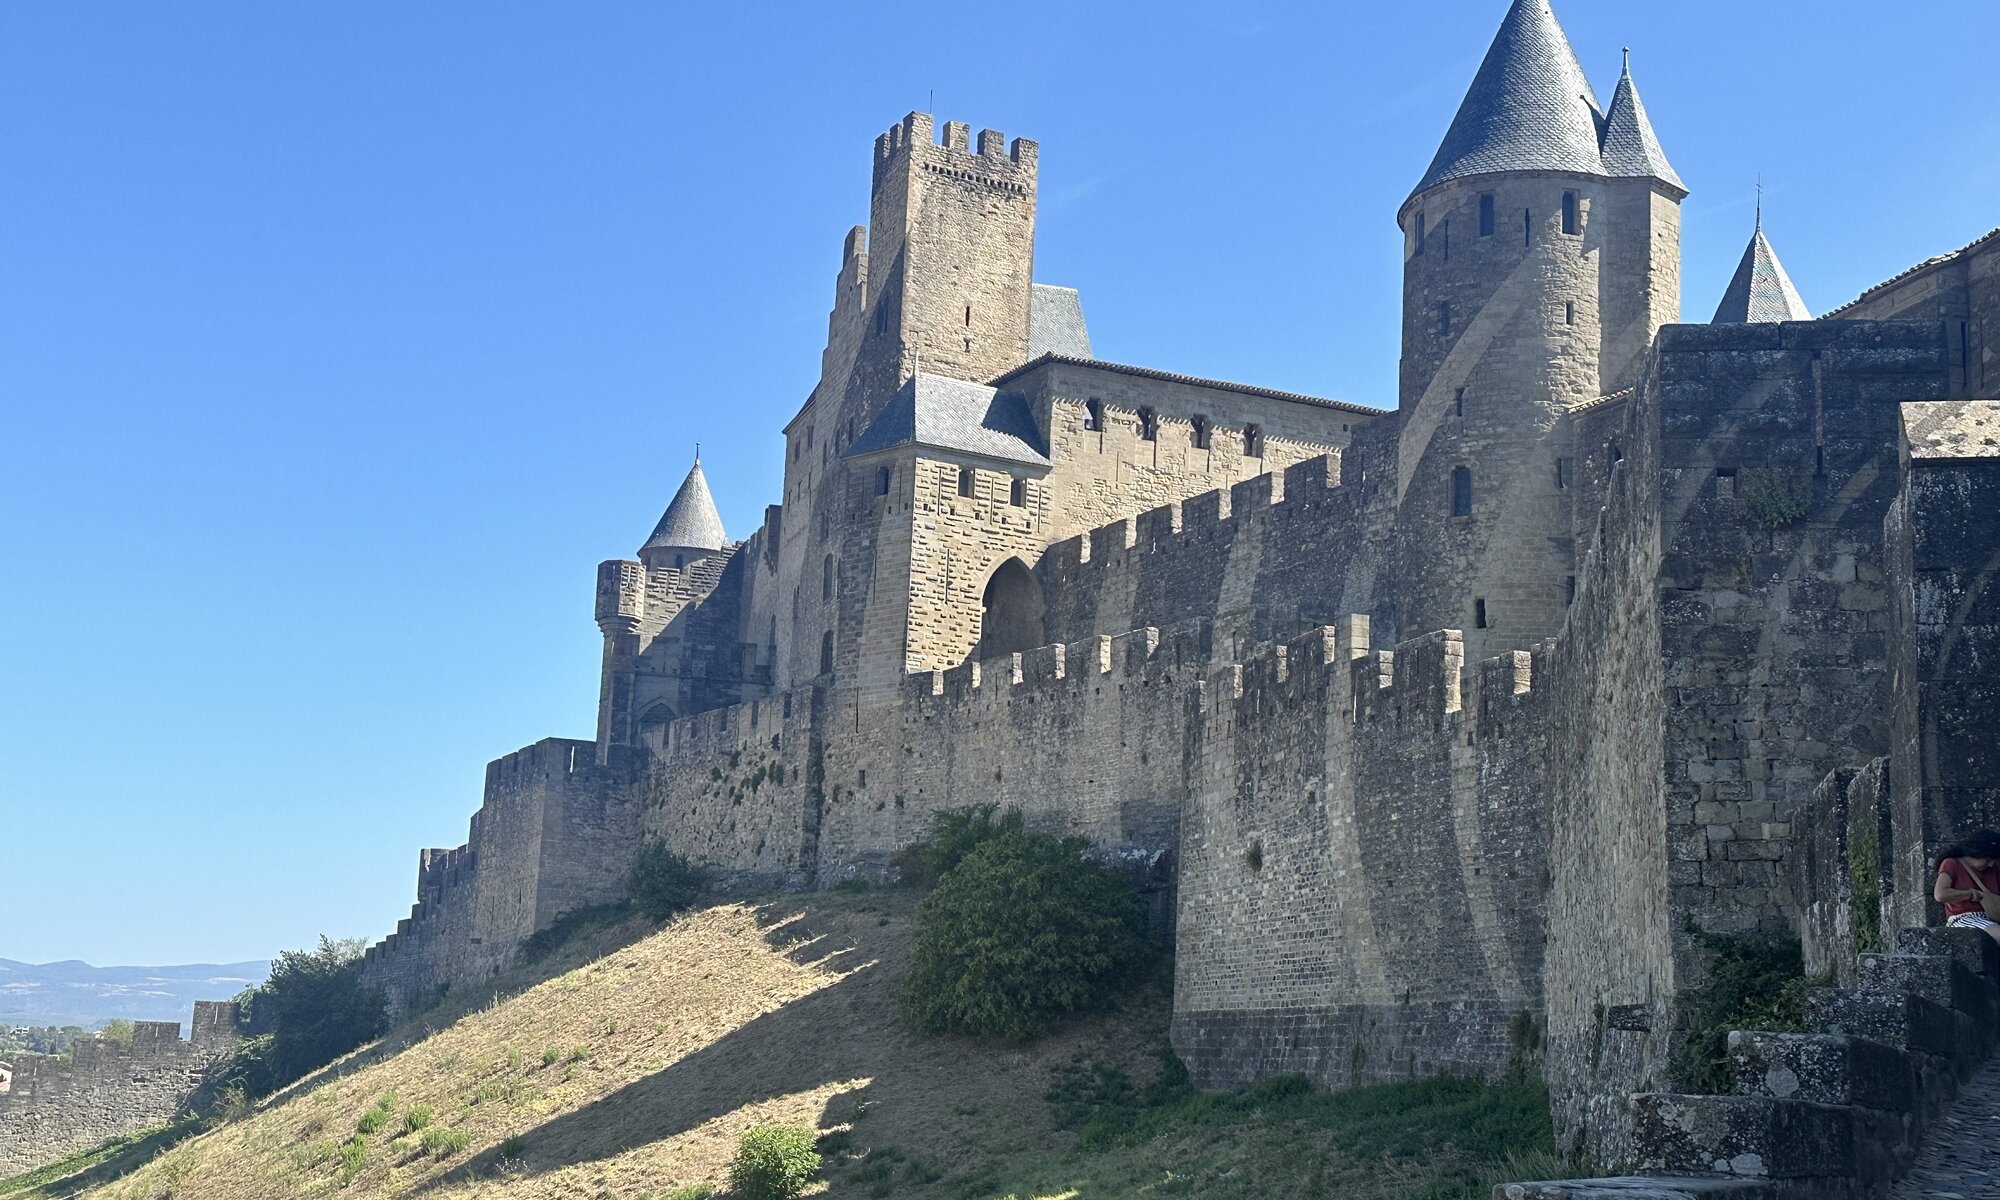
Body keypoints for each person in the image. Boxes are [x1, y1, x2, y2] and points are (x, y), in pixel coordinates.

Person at [1934, 830, 2000, 948]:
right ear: (1977, 852)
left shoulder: (1993, 869)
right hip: (1965, 918)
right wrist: (1970, 894)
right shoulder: (1951, 864)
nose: (1990, 864)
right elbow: (1940, 894)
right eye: (1988, 859)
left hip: (1992, 918)